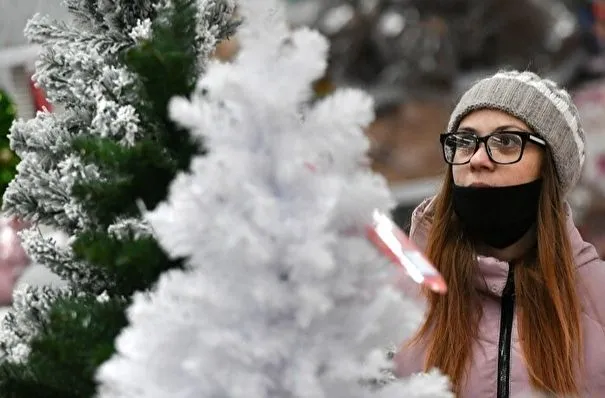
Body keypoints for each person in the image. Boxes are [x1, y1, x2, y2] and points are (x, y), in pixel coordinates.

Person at [393, 70, 605, 397]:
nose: (478, 159)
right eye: (464, 142)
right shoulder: (395, 299)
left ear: (549, 169)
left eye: (505, 142)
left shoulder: (597, 300)